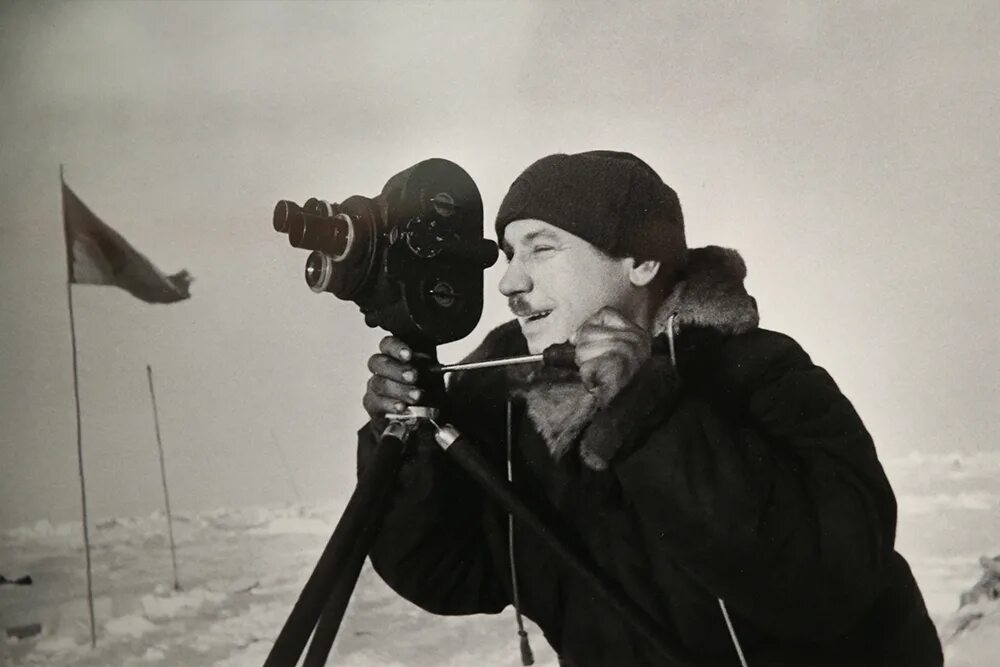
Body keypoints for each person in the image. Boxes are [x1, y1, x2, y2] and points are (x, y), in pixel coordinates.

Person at [358, 150, 942, 666]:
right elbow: (451, 575)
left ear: (639, 261)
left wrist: (647, 413)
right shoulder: (513, 407)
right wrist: (411, 443)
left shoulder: (758, 372)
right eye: (510, 252)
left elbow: (832, 580)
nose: (510, 281)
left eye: (542, 249)